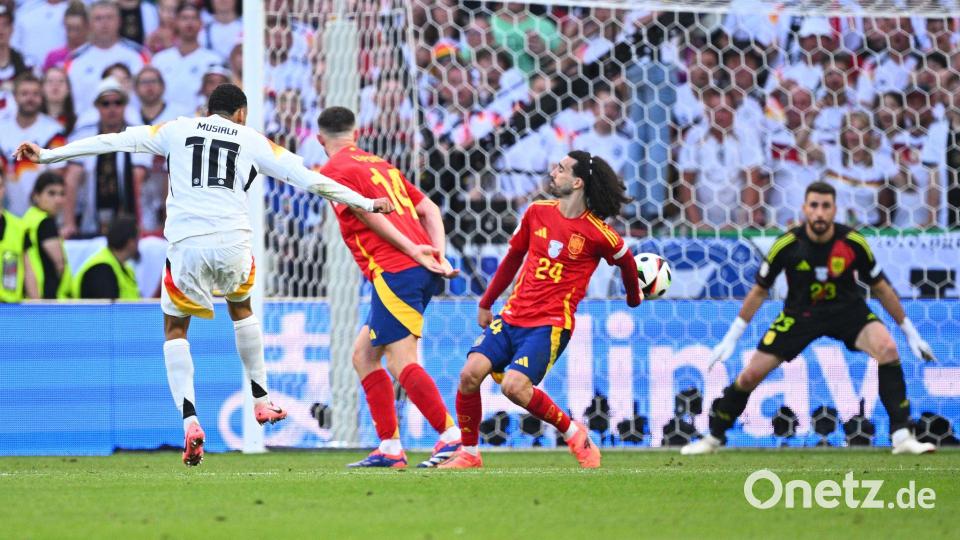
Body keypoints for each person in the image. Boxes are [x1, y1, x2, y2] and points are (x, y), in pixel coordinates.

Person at [15, 83, 394, 466]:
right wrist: (365, 202)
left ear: (208, 109)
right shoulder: (252, 139)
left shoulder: (176, 129)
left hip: (187, 245)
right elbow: (309, 178)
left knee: (175, 329)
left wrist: (48, 155)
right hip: (233, 243)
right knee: (242, 309)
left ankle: (190, 421)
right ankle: (261, 399)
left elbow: (114, 141)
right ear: (241, 113)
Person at [681, 182, 938, 456]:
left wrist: (911, 333)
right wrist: (731, 339)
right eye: (814, 206)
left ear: (834, 210)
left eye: (826, 206)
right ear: (804, 209)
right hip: (800, 315)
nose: (819, 213)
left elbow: (881, 287)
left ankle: (902, 437)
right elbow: (759, 291)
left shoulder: (852, 242)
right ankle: (713, 438)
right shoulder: (787, 245)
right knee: (750, 375)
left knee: (887, 348)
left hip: (847, 310)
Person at [440, 151, 643, 469]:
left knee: (513, 387)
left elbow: (627, 262)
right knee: (469, 375)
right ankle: (469, 452)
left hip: (550, 324)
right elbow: (512, 259)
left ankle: (573, 432)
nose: (553, 172)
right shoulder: (537, 212)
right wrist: (486, 302)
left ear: (577, 182)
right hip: (512, 316)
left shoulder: (598, 233)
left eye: (561, 169)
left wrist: (634, 297)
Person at [315, 106, 463, 469]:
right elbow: (430, 209)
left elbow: (364, 213)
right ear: (356, 133)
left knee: (400, 360)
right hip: (415, 268)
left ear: (320, 140)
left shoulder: (333, 171)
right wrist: (437, 253)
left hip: (397, 269)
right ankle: (390, 446)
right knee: (363, 355)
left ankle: (451, 437)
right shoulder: (381, 165)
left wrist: (413, 250)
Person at [0, 73, 67, 216]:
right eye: (24, 93)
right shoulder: (1, 128)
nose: (30, 98)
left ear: (42, 97)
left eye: (35, 94)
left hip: (42, 214)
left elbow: (57, 175)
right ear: (14, 96)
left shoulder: (54, 131)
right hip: (6, 213)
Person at [151, 3, 221, 113]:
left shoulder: (213, 60)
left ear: (201, 23)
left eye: (194, 18)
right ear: (175, 22)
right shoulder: (159, 60)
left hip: (198, 119)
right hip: (165, 120)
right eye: (184, 18)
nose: (189, 22)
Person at [22, 172, 71, 299]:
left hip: (28, 296)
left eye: (62, 194)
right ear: (36, 196)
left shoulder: (28, 217)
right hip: (46, 298)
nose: (58, 200)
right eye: (51, 193)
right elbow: (59, 263)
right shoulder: (46, 223)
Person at [71, 214, 140, 300]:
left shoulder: (126, 269)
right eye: (138, 239)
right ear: (130, 242)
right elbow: (105, 307)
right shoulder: (101, 269)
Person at [0, 174, 38, 302]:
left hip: (11, 307)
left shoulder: (18, 226)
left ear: (4, 189)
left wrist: (37, 305)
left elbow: (28, 270)